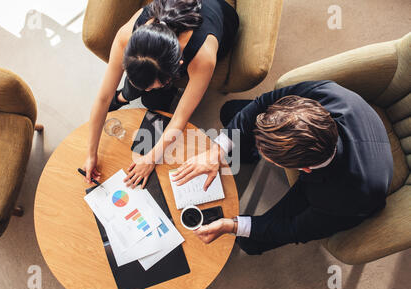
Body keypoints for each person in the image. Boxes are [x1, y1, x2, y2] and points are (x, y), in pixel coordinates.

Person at [172, 80, 394, 255]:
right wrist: (215, 152)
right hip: (347, 137)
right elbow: (262, 103)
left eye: (267, 154)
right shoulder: (325, 93)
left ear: (303, 170)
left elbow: (294, 230)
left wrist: (232, 225)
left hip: (343, 189)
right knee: (231, 111)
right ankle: (248, 153)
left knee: (250, 242)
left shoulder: (343, 199)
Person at [82, 0, 239, 189]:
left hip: (220, 18)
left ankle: (134, 94)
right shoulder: (127, 37)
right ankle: (126, 94)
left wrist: (151, 158)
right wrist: (91, 153)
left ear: (176, 70)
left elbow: (180, 117)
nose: (145, 89)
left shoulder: (203, 57)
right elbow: (103, 97)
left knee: (153, 102)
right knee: (148, 97)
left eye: (154, 85)